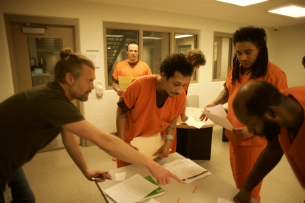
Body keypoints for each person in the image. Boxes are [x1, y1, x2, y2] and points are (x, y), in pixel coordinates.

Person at [0, 48, 181, 203]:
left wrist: (85, 170)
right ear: (70, 78)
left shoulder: (57, 98)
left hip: (12, 165)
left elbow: (70, 137)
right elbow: (104, 141)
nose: (93, 87)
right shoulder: (52, 102)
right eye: (89, 80)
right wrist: (151, 165)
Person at [200, 26, 288, 201]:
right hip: (234, 135)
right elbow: (228, 88)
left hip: (252, 142)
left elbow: (280, 111)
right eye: (239, 53)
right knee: (239, 181)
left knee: (248, 188)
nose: (243, 58)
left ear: (260, 49)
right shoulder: (236, 68)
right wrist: (215, 102)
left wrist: (253, 129)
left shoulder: (274, 74)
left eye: (248, 52)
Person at [116, 53, 194, 168]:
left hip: (158, 144)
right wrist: (122, 143)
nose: (179, 90)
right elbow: (121, 112)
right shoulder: (139, 85)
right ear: (163, 75)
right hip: (133, 143)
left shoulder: (180, 95)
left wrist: (168, 142)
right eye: (176, 84)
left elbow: (172, 119)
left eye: (184, 85)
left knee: (157, 180)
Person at [232, 81, 304, 203]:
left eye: (251, 124)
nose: (250, 131)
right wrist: (246, 188)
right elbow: (273, 149)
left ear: (271, 113)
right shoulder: (280, 102)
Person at [180, 48, 206, 122]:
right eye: (197, 67)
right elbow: (182, 97)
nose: (195, 70)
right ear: (193, 62)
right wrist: (183, 115)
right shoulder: (184, 76)